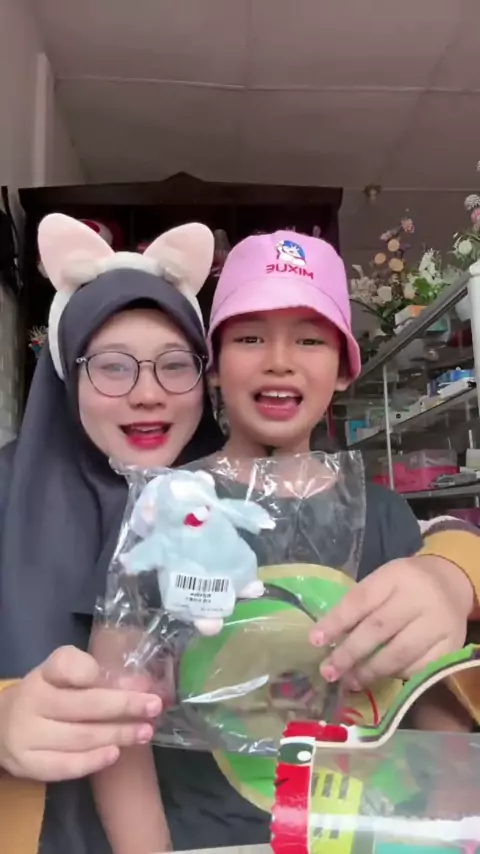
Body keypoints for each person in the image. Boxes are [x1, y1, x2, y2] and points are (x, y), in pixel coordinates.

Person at [1, 222, 480, 854]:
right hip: (204, 836)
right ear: (216, 368)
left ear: (345, 368)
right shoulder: (168, 507)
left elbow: (429, 691)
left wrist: (447, 822)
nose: (279, 359)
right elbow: (122, 709)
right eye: (249, 337)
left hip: (355, 830)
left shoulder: (385, 515)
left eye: (311, 338)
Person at [0, 214, 223, 854]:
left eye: (174, 365)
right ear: (67, 377)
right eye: (113, 368)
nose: (148, 394)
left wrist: (451, 567)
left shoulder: (234, 494)